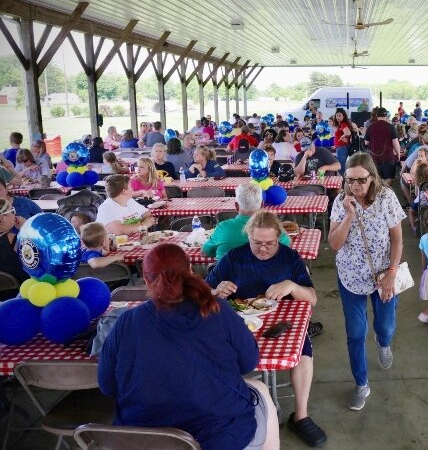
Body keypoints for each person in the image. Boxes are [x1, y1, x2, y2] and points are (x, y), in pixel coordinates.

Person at [98, 243, 279, 450]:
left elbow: (107, 386)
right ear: (190, 270)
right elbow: (249, 363)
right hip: (219, 438)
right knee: (261, 391)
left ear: (146, 279)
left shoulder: (126, 322)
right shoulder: (217, 310)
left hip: (143, 441)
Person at [206, 212, 326, 448]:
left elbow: (312, 298)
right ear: (248, 237)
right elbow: (203, 291)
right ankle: (232, 410)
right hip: (241, 323)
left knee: (302, 355)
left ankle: (301, 415)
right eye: (257, 243)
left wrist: (292, 285)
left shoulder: (289, 257)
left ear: (279, 238)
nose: (263, 249)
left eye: (269, 244)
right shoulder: (234, 257)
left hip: (284, 323)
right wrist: (215, 290)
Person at [328, 153, 405, 411]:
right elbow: (335, 244)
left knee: (385, 325)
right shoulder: (341, 202)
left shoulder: (386, 198)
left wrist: (392, 273)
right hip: (350, 276)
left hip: (383, 275)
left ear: (372, 177)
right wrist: (349, 215)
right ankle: (361, 383)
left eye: (361, 180)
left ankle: (383, 342)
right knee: (356, 333)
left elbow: (397, 239)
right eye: (350, 180)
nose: (355, 186)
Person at [202, 183, 291, 261]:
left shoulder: (222, 228)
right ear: (262, 204)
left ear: (236, 206)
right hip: (264, 279)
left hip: (226, 279)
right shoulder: (273, 228)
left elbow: (204, 253)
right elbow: (287, 245)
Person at [364, 107, 400, 185]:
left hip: (374, 157)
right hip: (388, 156)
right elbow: (396, 143)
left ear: (377, 115)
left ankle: (377, 194)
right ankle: (386, 194)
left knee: (376, 177)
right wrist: (398, 154)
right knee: (389, 178)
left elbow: (366, 142)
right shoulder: (391, 127)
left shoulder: (371, 127)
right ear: (386, 115)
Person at [0, 198, 28, 291]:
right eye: (12, 211)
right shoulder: (14, 240)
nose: (15, 215)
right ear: (2, 218)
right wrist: (25, 228)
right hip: (19, 294)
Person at [408, 160, 428, 232]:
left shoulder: (419, 183)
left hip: (421, 202)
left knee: (411, 211)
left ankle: (414, 227)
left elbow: (417, 194)